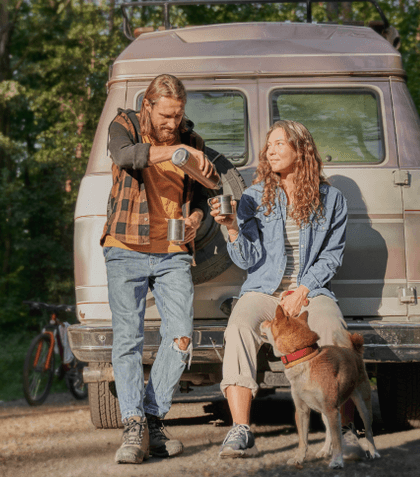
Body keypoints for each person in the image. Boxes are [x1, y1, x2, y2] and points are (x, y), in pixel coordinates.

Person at [210, 120, 361, 459]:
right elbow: (249, 258)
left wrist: (304, 288)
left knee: (334, 331)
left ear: (300, 149)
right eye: (269, 145)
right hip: (264, 288)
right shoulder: (253, 196)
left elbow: (331, 255)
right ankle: (241, 430)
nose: (271, 151)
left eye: (279, 144)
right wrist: (232, 228)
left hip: (311, 288)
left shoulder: (331, 199)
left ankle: (346, 431)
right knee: (238, 326)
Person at [101, 74, 217, 464]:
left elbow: (202, 191)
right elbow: (125, 157)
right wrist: (173, 151)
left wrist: (197, 216)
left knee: (181, 335)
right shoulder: (125, 125)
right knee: (128, 340)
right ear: (148, 105)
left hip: (173, 250)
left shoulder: (192, 140)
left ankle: (151, 417)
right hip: (125, 246)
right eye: (166, 116)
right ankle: (133, 424)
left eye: (178, 115)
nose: (172, 124)